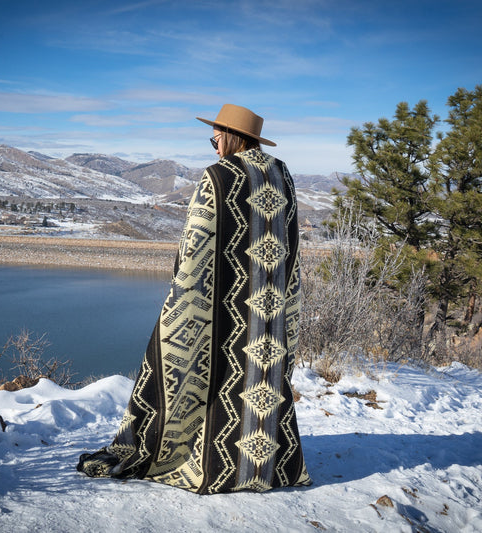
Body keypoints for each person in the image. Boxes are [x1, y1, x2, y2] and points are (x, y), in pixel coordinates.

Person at [77, 104, 311, 494]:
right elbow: (291, 239)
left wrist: (182, 293)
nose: (214, 147)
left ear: (231, 136)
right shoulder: (282, 173)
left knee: (204, 372)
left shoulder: (217, 176)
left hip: (223, 304)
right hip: (270, 306)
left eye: (215, 138)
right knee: (263, 381)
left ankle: (210, 465)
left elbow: (194, 245)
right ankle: (267, 467)